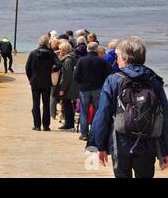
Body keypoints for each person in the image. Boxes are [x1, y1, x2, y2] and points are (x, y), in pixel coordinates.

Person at [90, 37, 168, 178]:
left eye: (118, 56)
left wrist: (99, 145)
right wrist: (166, 149)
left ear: (125, 57)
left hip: (120, 142)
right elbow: (165, 116)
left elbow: (103, 114)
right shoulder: (154, 80)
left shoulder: (113, 79)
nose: (117, 59)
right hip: (148, 143)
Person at [74, 42, 111, 141]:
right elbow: (109, 74)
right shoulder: (101, 61)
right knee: (97, 111)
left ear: (87, 49)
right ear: (97, 50)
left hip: (84, 88)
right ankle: (94, 133)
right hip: (97, 88)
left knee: (84, 112)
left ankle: (84, 134)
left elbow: (76, 76)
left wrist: (81, 83)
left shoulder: (81, 60)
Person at [25, 35, 62, 132]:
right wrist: (53, 70)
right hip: (46, 82)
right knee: (46, 104)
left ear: (39, 43)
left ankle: (37, 126)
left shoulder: (33, 53)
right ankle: (46, 126)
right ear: (47, 43)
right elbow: (59, 64)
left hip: (35, 81)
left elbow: (27, 68)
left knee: (35, 104)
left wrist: (31, 78)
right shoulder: (51, 53)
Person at [57, 42, 79, 130]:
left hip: (69, 86)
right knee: (68, 104)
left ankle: (69, 123)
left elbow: (66, 75)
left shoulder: (68, 60)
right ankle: (69, 122)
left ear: (64, 50)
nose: (59, 51)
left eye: (61, 50)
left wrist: (62, 88)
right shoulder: (72, 58)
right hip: (72, 84)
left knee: (67, 104)